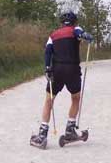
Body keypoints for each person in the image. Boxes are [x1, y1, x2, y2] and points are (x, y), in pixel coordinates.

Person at [30, 10, 93, 148]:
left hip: (56, 70)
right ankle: (70, 129)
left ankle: (42, 135)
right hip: (72, 69)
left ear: (61, 23)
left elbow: (48, 51)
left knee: (49, 100)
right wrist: (85, 36)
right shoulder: (75, 29)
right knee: (75, 98)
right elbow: (79, 34)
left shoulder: (53, 35)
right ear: (75, 21)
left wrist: (47, 68)